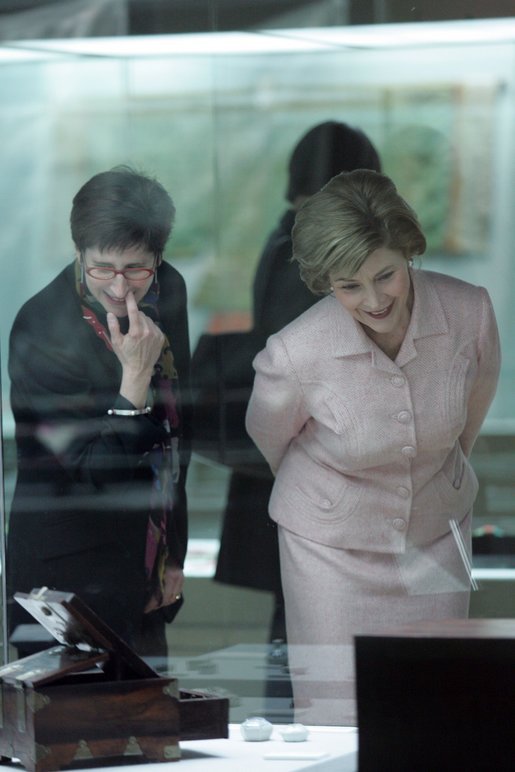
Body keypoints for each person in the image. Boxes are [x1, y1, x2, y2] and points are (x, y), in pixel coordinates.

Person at [245, 169, 501, 725]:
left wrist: (433, 465)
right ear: (324, 282)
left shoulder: (469, 313)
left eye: (385, 275)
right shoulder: (295, 352)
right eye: (349, 285)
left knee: (436, 710)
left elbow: (469, 416)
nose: (374, 299)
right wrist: (332, 494)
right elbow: (272, 437)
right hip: (329, 550)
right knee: (341, 717)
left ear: (408, 251)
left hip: (438, 534)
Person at [6, 166, 191, 658]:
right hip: (66, 572)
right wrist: (133, 379)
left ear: (158, 257)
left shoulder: (166, 288)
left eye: (136, 269)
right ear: (79, 253)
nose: (120, 287)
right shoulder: (41, 329)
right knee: (72, 730)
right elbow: (91, 471)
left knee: (150, 724)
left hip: (144, 560)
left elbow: (176, 431)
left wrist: (173, 553)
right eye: (102, 267)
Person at [210, 122, 382, 643]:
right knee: (311, 630)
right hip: (312, 459)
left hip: (293, 458)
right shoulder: (307, 245)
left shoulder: (286, 235)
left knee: (300, 628)